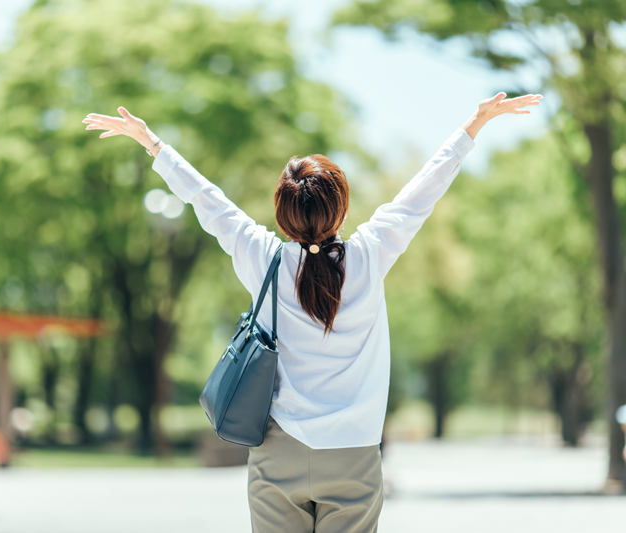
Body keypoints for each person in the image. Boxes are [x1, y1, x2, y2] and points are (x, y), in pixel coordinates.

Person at [83, 91, 542, 532]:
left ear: (283, 215)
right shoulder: (370, 255)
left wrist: (154, 144)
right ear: (340, 208)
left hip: (278, 453)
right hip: (354, 456)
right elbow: (423, 190)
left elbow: (208, 200)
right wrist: (474, 125)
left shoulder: (264, 257)